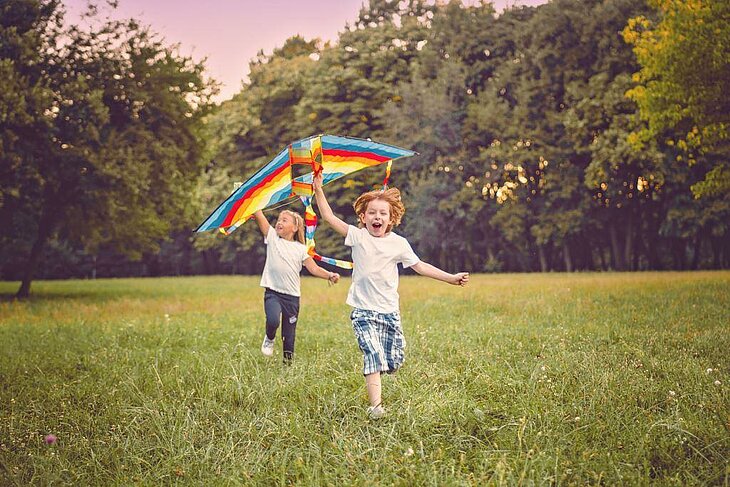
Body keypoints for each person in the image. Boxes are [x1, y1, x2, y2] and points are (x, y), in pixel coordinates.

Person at [313, 174, 469, 419]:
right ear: (363, 218)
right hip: (363, 310)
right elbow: (329, 217)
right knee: (373, 355)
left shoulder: (399, 244)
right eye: (372, 213)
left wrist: (450, 278)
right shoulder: (358, 236)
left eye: (382, 213)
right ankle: (375, 407)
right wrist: (319, 190)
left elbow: (420, 266)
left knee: (394, 361)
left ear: (391, 218)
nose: (377, 217)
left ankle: (387, 366)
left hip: (389, 312)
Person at [253, 209, 340, 364]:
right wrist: (250, 198)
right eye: (279, 219)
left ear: (294, 228)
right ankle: (269, 338)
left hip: (292, 297)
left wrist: (329, 275)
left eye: (284, 220)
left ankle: (288, 365)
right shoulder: (272, 237)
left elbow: (314, 268)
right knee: (273, 320)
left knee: (289, 335)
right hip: (273, 292)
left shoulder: (301, 249)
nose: (279, 222)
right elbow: (259, 215)